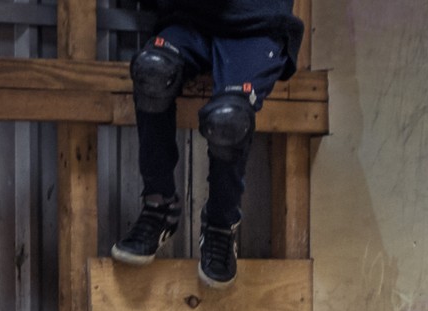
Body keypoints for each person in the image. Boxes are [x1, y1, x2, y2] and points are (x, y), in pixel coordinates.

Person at [109, 1, 304, 288]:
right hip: (189, 19)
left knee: (229, 120)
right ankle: (159, 206)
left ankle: (221, 226)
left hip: (257, 25)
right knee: (153, 70)